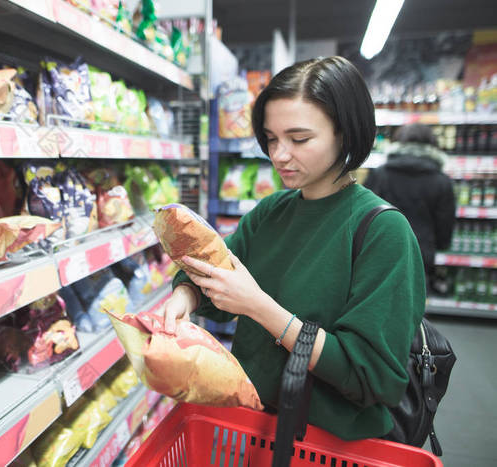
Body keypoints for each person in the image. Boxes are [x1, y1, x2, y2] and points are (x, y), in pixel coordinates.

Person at [159, 56, 425, 442]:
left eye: (299, 139)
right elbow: (210, 273)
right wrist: (185, 295)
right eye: (271, 138)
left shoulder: (383, 231)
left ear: (345, 133)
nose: (279, 155)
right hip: (255, 428)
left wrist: (257, 306)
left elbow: (371, 376)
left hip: (330, 443)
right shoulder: (271, 212)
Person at [364, 123, 456, 285]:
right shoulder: (442, 181)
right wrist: (440, 244)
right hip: (420, 253)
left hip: (381, 249)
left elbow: (364, 213)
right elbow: (444, 224)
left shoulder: (380, 174)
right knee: (413, 303)